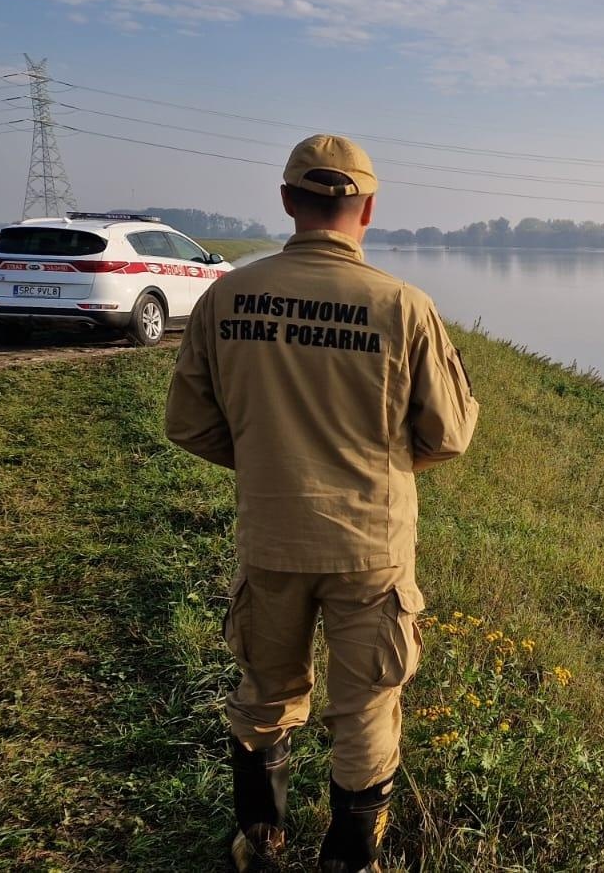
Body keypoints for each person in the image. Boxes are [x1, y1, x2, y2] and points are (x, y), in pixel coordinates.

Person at [166, 134, 479, 872]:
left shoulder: (227, 297)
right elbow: (450, 433)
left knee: (265, 691)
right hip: (371, 547)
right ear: (367, 208)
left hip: (271, 537)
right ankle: (350, 861)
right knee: (366, 707)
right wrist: (388, 467)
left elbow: (189, 424)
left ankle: (260, 842)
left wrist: (269, 462)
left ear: (286, 202)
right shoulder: (403, 306)